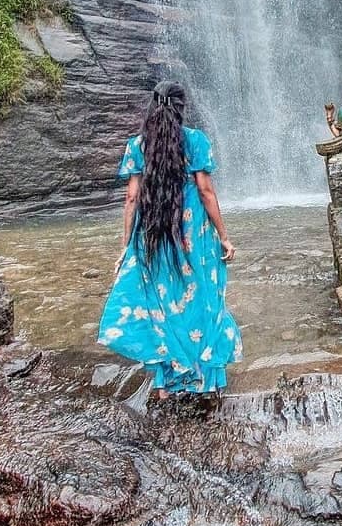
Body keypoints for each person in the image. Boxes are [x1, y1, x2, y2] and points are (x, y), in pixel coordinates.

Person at [98, 82, 242, 397]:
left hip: (154, 235)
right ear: (181, 106)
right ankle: (204, 380)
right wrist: (224, 236)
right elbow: (205, 191)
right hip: (194, 237)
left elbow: (131, 198)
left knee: (161, 304)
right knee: (202, 300)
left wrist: (125, 246)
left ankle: (165, 383)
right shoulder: (195, 141)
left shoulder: (137, 145)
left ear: (152, 106)